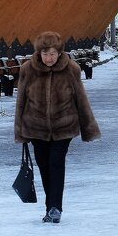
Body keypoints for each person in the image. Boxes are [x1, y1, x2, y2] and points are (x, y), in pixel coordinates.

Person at [14, 31, 101, 224]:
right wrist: (19, 131)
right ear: (39, 53)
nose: (49, 58)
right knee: (44, 166)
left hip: (64, 127)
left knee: (56, 162)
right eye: (45, 54)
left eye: (52, 53)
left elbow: (81, 100)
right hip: (35, 128)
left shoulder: (71, 69)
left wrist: (88, 128)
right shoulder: (28, 69)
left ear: (59, 52)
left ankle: (55, 207)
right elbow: (21, 101)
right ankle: (50, 206)